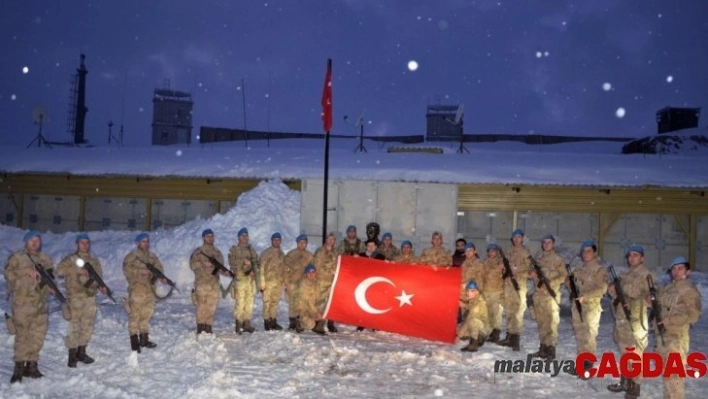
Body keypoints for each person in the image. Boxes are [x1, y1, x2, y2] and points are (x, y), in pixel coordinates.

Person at [5, 231, 55, 383]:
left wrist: (52, 287)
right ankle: (18, 368)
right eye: (31, 240)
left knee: (38, 335)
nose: (35, 243)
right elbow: (8, 274)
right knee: (22, 336)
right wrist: (26, 271)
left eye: (37, 240)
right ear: (26, 242)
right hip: (23, 303)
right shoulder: (17, 258)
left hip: (40, 304)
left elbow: (50, 277)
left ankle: (32, 366)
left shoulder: (45, 259)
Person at [606, 245, 655, 398]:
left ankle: (634, 387)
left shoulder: (647, 276)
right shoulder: (624, 275)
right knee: (624, 352)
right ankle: (625, 381)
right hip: (622, 319)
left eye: (635, 255)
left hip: (636, 320)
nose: (632, 258)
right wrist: (612, 289)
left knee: (636, 354)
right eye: (630, 255)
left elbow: (652, 298)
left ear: (642, 258)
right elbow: (614, 294)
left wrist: (636, 299)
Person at [653, 256, 702, 399]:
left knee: (674, 377)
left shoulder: (689, 291)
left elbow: (694, 315)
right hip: (663, 337)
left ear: (688, 271)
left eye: (680, 268)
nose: (676, 271)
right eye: (674, 269)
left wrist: (669, 320)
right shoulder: (668, 288)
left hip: (677, 338)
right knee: (667, 375)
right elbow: (656, 303)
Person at [56, 233, 105, 367]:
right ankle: (72, 355)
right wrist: (77, 270)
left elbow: (98, 276)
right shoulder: (71, 259)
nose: (85, 245)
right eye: (82, 243)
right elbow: (59, 271)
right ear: (77, 244)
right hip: (75, 298)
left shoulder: (94, 261)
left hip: (90, 298)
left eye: (87, 243)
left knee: (87, 326)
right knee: (74, 326)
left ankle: (81, 352)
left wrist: (101, 286)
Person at [568, 240, 609, 377]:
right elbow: (574, 287)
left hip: (591, 307)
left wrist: (586, 296)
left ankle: (588, 366)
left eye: (589, 251)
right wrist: (569, 284)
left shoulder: (599, 270)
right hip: (577, 306)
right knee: (580, 335)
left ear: (595, 252)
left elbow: (602, 288)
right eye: (584, 251)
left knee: (589, 336)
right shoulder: (579, 270)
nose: (586, 254)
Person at [123, 232, 166, 352]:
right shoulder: (131, 257)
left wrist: (156, 275)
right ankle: (134, 341)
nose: (145, 243)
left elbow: (159, 269)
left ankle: (144, 339)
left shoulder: (152, 257)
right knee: (135, 315)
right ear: (137, 243)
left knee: (146, 314)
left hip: (150, 290)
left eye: (147, 241)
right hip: (137, 289)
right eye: (143, 241)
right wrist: (140, 272)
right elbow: (127, 271)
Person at [528, 234, 567, 360]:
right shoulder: (538, 259)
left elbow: (563, 276)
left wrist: (551, 283)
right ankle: (543, 348)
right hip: (539, 296)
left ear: (553, 244)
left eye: (549, 242)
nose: (546, 244)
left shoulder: (557, 259)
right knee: (542, 323)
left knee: (551, 324)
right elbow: (531, 272)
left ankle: (551, 350)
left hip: (551, 296)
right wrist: (532, 274)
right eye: (544, 242)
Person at [497, 229, 532, 351]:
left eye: (518, 237)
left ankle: (515, 339)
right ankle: (509, 337)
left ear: (522, 238)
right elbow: (503, 265)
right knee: (509, 311)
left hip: (519, 285)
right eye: (514, 237)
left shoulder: (525, 252)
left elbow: (529, 268)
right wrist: (502, 265)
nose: (516, 239)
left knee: (517, 312)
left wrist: (516, 269)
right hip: (508, 285)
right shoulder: (509, 251)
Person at [189, 229, 228, 334]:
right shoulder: (197, 252)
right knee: (201, 305)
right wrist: (203, 264)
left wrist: (220, 270)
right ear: (203, 238)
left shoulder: (217, 252)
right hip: (201, 283)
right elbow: (192, 265)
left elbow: (220, 267)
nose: (210, 238)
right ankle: (201, 327)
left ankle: (208, 326)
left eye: (212, 236)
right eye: (208, 236)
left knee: (212, 306)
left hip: (213, 283)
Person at [228, 227, 259, 334]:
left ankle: (247, 323)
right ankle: (239, 324)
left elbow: (256, 262)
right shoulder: (234, 250)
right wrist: (244, 263)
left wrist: (254, 271)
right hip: (240, 280)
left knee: (249, 303)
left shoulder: (251, 250)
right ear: (239, 238)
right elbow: (232, 263)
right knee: (240, 302)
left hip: (250, 280)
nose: (245, 238)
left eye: (246, 236)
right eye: (243, 236)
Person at [283, 234, 314, 330]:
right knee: (292, 302)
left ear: (306, 243)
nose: (302, 244)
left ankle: (299, 321)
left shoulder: (309, 256)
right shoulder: (291, 255)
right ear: (297, 243)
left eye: (304, 242)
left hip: (303, 284)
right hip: (292, 282)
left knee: (301, 302)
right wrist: (286, 282)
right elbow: (285, 269)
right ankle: (292, 322)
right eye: (300, 242)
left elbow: (313, 270)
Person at [259, 232, 286, 331]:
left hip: (278, 284)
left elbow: (284, 269)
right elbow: (261, 268)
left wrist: (284, 282)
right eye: (275, 240)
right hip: (268, 283)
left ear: (281, 241)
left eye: (278, 240)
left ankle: (273, 321)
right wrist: (262, 283)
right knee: (267, 303)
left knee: (275, 303)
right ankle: (267, 322)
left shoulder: (281, 254)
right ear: (271, 241)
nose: (277, 241)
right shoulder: (266, 253)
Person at [314, 232, 339, 333]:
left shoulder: (336, 252)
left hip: (332, 282)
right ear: (326, 240)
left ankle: (330, 323)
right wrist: (330, 272)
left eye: (333, 239)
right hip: (321, 281)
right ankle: (319, 324)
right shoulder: (320, 251)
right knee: (320, 303)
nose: (331, 241)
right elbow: (316, 266)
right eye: (329, 239)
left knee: (332, 302)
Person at [481, 243, 505, 343]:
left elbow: (506, 274)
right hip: (486, 291)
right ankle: (489, 331)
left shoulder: (501, 262)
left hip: (497, 291)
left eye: (493, 251)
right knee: (488, 313)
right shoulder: (486, 262)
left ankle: (496, 332)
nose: (491, 253)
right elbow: (484, 275)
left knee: (496, 313)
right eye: (489, 251)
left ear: (497, 251)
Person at [294, 265, 326, 335]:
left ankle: (316, 325)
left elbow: (319, 296)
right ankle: (300, 322)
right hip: (305, 308)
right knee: (310, 324)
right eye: (309, 272)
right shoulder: (303, 284)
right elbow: (309, 302)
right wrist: (317, 313)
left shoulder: (315, 283)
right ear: (306, 274)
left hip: (312, 307)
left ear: (316, 273)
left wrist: (329, 291)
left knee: (325, 312)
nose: (311, 274)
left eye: (313, 272)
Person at [458, 281, 489, 352]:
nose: (469, 293)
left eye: (472, 291)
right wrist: (461, 304)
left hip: (482, 328)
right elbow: (469, 307)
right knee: (460, 332)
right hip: (477, 325)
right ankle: (474, 337)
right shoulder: (474, 299)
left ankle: (474, 344)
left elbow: (469, 318)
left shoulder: (479, 302)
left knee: (472, 321)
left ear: (477, 292)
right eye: (468, 291)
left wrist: (458, 336)